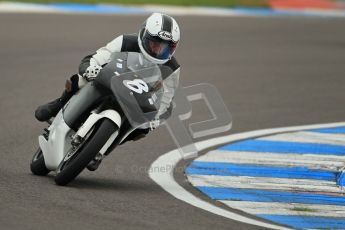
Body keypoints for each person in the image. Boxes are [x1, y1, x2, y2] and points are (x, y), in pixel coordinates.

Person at [35, 12, 181, 139]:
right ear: (144, 35)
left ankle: (105, 146)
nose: (158, 50)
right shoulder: (125, 41)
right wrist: (90, 68)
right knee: (80, 79)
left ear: (173, 48)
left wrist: (155, 118)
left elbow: (166, 100)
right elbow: (98, 57)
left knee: (142, 129)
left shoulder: (172, 68)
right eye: (154, 43)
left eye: (165, 47)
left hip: (140, 96)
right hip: (112, 79)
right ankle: (59, 103)